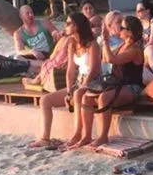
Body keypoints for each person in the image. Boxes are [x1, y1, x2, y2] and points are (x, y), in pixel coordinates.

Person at [69, 15, 145, 149]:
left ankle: (103, 136)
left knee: (104, 98)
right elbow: (105, 57)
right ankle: (86, 136)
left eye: (122, 28)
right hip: (117, 85)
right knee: (87, 98)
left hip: (132, 87)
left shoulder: (135, 50)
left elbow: (112, 60)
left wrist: (105, 40)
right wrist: (106, 42)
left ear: (130, 32)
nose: (119, 29)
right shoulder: (123, 45)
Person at [28, 13, 102, 149]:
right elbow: (70, 71)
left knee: (78, 94)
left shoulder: (92, 45)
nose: (65, 26)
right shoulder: (72, 44)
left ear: (77, 26)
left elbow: (94, 70)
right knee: (45, 100)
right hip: (79, 82)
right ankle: (44, 138)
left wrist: (81, 87)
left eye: (68, 23)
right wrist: (69, 90)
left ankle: (77, 134)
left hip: (94, 81)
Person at [98, 10, 125, 75]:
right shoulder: (101, 40)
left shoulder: (126, 38)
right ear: (109, 25)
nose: (123, 24)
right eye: (119, 22)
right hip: (110, 73)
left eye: (123, 21)